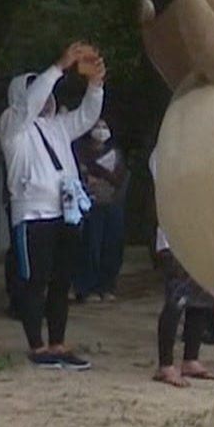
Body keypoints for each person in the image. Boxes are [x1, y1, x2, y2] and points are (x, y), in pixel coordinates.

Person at [0, 41, 105, 369]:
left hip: (65, 212)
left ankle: (57, 343)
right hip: (33, 215)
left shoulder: (57, 126)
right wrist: (58, 67)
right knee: (34, 281)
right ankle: (37, 345)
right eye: (38, 92)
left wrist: (96, 84)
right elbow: (28, 105)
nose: (45, 99)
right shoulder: (12, 126)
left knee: (61, 282)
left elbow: (87, 116)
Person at [149, 149, 214, 388]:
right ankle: (166, 365)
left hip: (198, 239)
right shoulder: (165, 154)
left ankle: (191, 358)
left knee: (200, 301)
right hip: (173, 240)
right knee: (176, 300)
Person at [73, 117, 130, 302]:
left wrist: (98, 172)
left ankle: (106, 286)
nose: (101, 130)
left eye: (104, 126)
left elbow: (118, 178)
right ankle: (86, 288)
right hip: (92, 205)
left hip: (112, 204)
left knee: (111, 246)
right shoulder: (80, 151)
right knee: (91, 246)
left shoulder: (115, 152)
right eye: (97, 126)